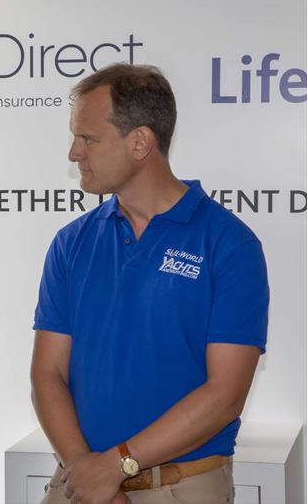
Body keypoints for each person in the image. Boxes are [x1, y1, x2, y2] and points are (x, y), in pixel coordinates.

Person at [30, 63, 268, 504]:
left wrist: (117, 465)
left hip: (182, 487)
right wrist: (89, 473)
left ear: (140, 142)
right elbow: (47, 373)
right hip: (78, 485)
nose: (73, 153)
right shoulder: (71, 243)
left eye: (88, 138)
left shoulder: (229, 244)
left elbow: (224, 395)